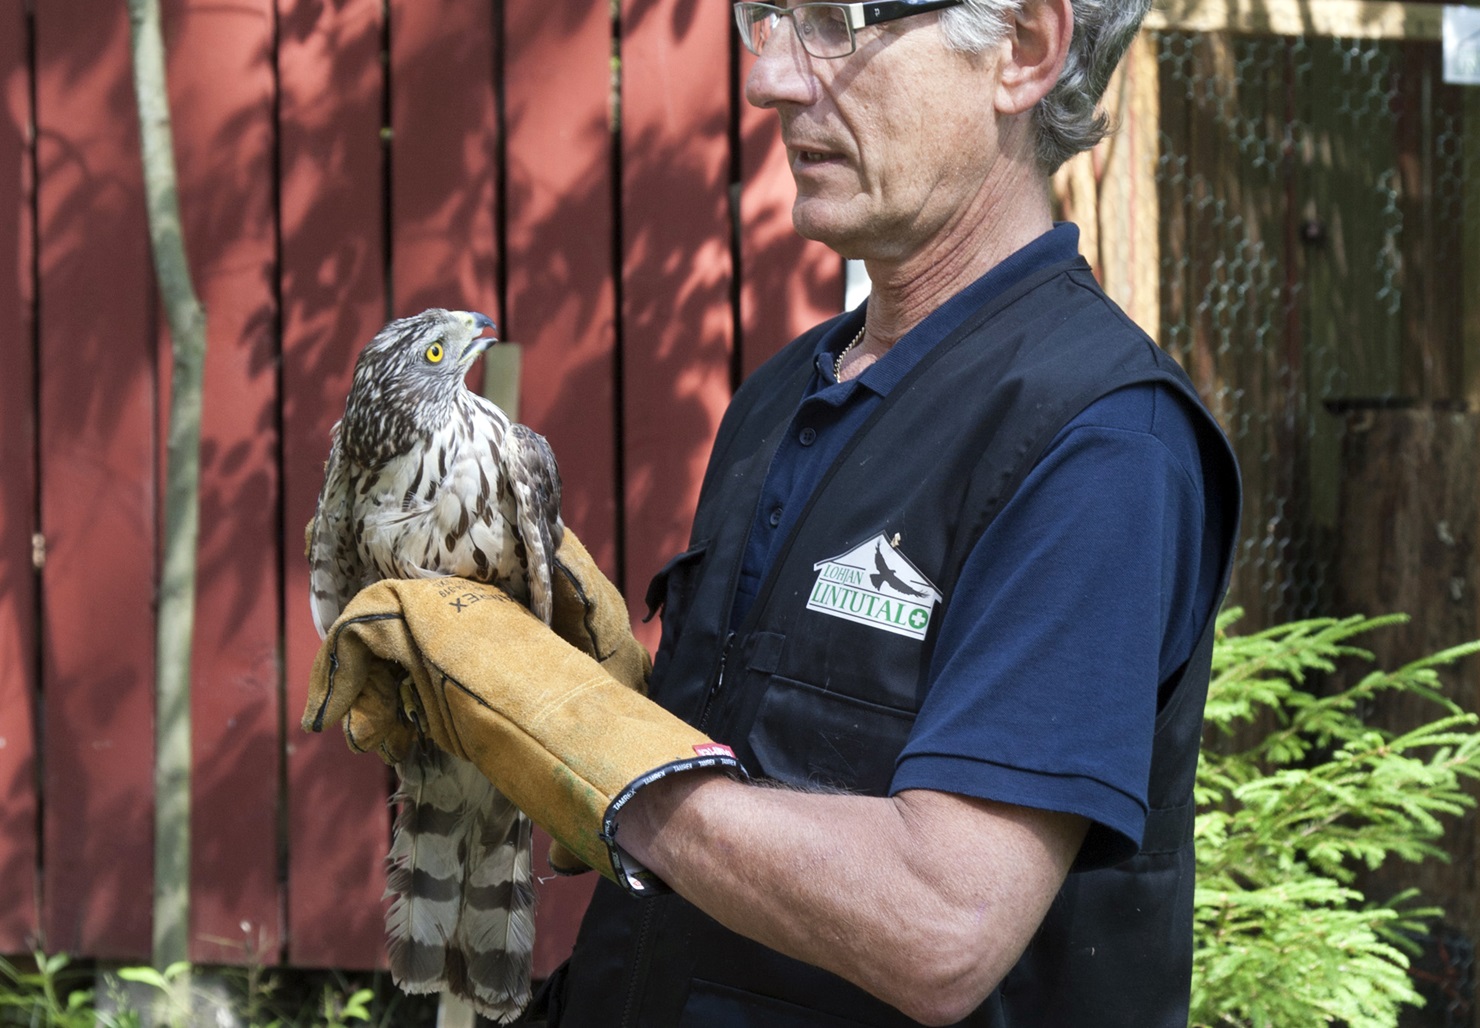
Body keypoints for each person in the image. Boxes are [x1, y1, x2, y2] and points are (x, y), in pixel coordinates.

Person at [304, 0, 1241, 1023]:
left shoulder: (1098, 443)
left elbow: (940, 924)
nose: (772, 79)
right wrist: (580, 693)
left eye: (836, 20)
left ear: (1021, 50)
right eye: (769, 17)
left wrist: (593, 758)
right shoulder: (790, 391)